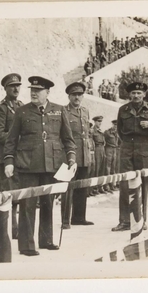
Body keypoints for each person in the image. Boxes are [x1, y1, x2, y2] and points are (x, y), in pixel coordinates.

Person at [3, 76, 76, 256]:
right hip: (27, 165)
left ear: (48, 92)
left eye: (38, 91)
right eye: (32, 90)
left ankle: (46, 240)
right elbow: (11, 140)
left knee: (47, 203)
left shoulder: (59, 111)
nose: (34, 93)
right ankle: (26, 245)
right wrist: (9, 161)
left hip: (51, 164)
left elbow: (68, 139)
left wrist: (72, 159)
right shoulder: (21, 111)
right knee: (27, 205)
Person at [113, 82, 148, 236]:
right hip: (126, 148)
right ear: (129, 95)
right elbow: (119, 130)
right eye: (133, 93)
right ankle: (125, 221)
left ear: (144, 94)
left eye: (139, 93)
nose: (136, 96)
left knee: (143, 185)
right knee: (124, 184)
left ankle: (141, 220)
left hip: (144, 148)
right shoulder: (122, 109)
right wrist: (127, 143)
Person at [0, 73, 24, 240]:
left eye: (18, 85)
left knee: (20, 194)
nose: (16, 88)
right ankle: (8, 228)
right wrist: (17, 140)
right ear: (5, 88)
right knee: (7, 195)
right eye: (12, 86)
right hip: (6, 158)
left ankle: (19, 227)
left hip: (22, 158)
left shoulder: (22, 106)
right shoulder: (0, 108)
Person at [61, 82, 94, 229]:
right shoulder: (63, 111)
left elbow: (86, 134)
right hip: (70, 156)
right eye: (74, 95)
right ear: (69, 96)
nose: (77, 97)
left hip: (84, 155)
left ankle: (79, 217)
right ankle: (65, 220)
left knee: (82, 187)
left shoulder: (85, 111)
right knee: (67, 188)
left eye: (79, 95)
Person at [92, 116, 108, 194]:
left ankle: (100, 186)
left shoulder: (100, 131)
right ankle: (94, 188)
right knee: (96, 169)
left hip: (102, 149)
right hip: (97, 150)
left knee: (102, 168)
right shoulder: (92, 131)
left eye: (101, 121)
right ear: (95, 122)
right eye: (98, 121)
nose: (100, 123)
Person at [104, 120, 119, 191]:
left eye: (117, 125)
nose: (116, 127)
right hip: (108, 149)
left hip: (114, 150)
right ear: (112, 125)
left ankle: (113, 185)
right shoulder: (107, 132)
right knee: (108, 168)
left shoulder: (117, 133)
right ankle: (106, 185)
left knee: (113, 168)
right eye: (115, 125)